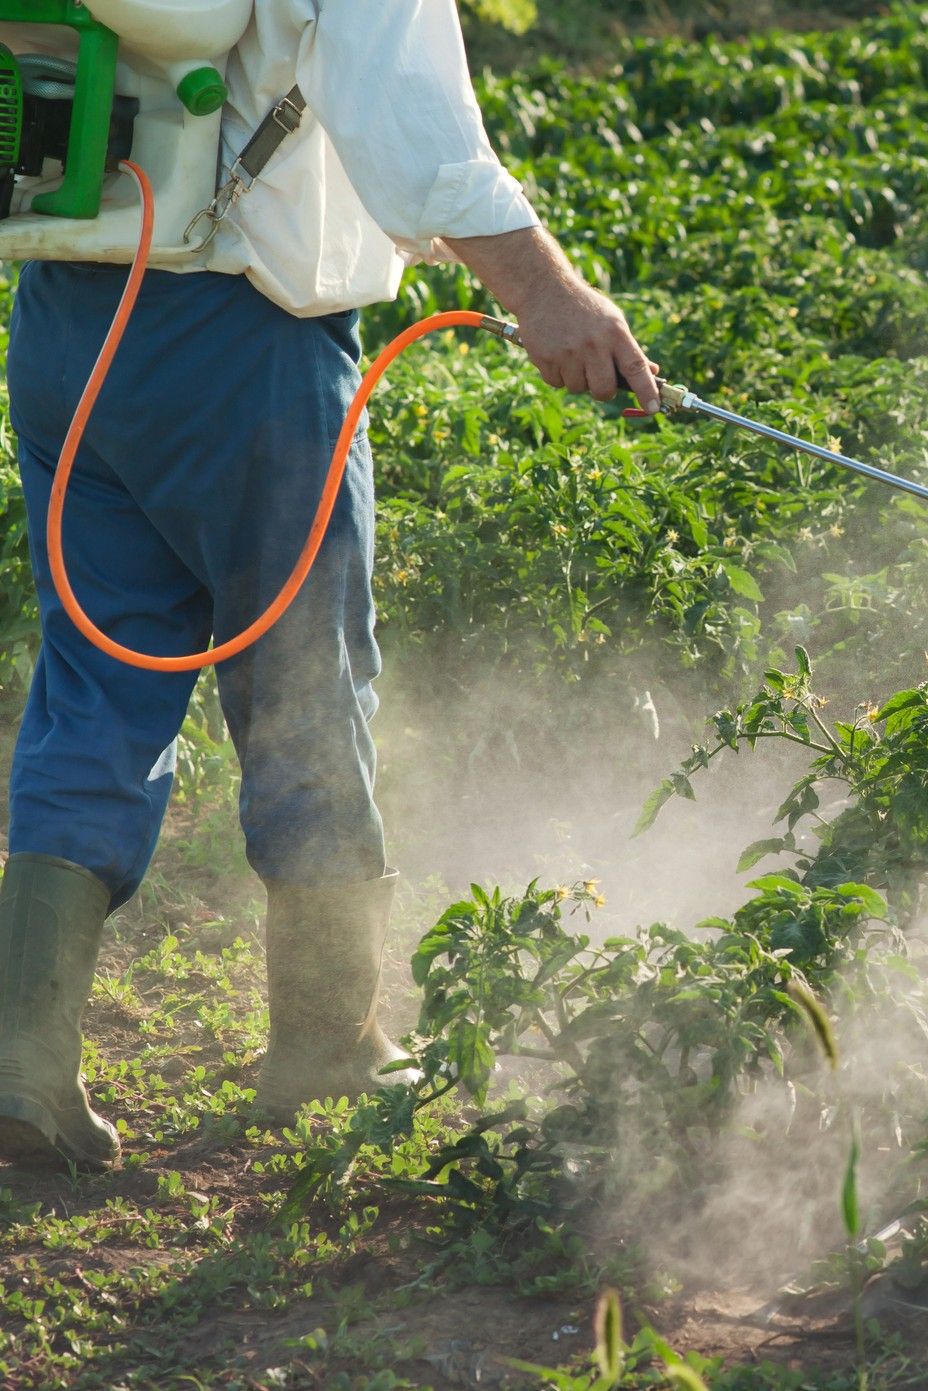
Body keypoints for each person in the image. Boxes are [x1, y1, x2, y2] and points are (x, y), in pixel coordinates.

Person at [0, 0, 658, 1170]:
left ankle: (21, 1065)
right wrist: (549, 296)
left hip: (65, 325)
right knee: (307, 678)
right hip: (240, 344)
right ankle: (327, 1039)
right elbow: (413, 125)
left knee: (93, 685)